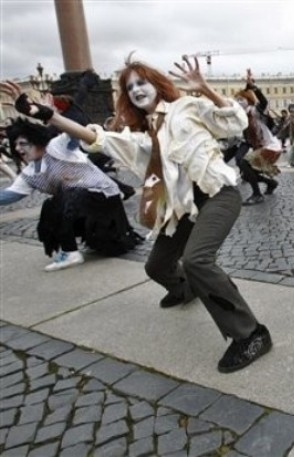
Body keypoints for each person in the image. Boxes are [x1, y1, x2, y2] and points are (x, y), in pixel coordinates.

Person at [0, 55, 272, 373]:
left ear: (156, 84)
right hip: (182, 207)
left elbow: (234, 121)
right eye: (130, 88)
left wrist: (206, 89)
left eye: (141, 82)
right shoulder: (143, 137)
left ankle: (251, 334)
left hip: (217, 195)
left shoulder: (186, 107)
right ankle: (188, 288)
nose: (137, 90)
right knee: (156, 266)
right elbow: (96, 138)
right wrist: (45, 115)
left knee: (197, 260)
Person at [0, 118, 141, 271]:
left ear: (36, 139)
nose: (18, 148)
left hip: (104, 199)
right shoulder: (29, 173)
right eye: (15, 144)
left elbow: (75, 134)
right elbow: (10, 195)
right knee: (52, 205)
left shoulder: (56, 147)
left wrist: (50, 115)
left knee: (66, 195)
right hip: (81, 205)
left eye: (22, 143)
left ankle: (70, 252)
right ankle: (70, 249)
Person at [232, 71, 281, 206]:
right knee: (245, 173)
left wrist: (254, 87)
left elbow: (264, 101)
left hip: (270, 147)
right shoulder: (240, 117)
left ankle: (257, 194)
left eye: (241, 99)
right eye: (236, 99)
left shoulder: (254, 111)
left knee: (244, 163)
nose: (238, 102)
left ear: (248, 100)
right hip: (259, 147)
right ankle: (271, 183)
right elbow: (245, 139)